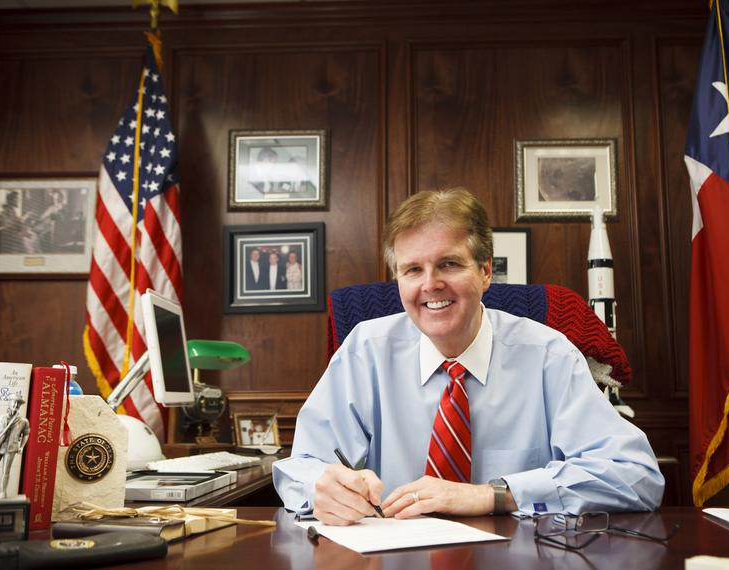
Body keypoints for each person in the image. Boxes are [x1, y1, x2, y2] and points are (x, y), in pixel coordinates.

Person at [273, 187, 663, 525]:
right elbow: (301, 467)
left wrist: (492, 495)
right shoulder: (365, 350)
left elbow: (635, 474)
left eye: (449, 264)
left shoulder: (548, 354)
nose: (430, 285)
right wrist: (321, 487)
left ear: (486, 272)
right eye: (412, 270)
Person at [0, 393, 30, 499]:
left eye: (18, 404)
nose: (16, 406)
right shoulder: (0, 418)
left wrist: (22, 446)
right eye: (14, 403)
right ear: (9, 403)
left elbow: (26, 433)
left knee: (6, 470)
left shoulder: (23, 421)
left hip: (11, 448)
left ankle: (3, 492)